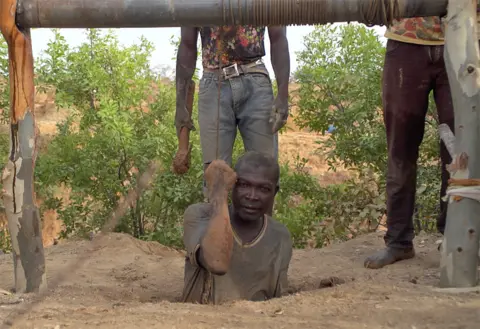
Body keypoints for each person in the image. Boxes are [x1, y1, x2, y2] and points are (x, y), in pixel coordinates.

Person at [364, 16, 454, 269]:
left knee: (461, 149)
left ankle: (457, 239)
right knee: (400, 147)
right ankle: (398, 241)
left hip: (466, 36)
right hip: (406, 38)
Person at [174, 25, 290, 206]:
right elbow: (187, 45)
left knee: (264, 173)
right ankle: (219, 232)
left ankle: (262, 233)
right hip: (214, 83)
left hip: (255, 77)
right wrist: (181, 105)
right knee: (215, 177)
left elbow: (278, 37)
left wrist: (283, 94)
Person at [181, 151, 293, 304]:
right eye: (244, 185)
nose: (252, 196)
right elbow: (217, 263)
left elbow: (279, 301)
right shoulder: (200, 216)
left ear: (275, 192)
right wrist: (219, 193)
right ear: (232, 184)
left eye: (264, 189)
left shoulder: (280, 235)